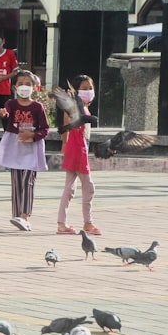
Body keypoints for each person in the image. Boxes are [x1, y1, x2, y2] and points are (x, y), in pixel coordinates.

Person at [0, 69, 49, 231]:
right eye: (20, 84)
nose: (24, 87)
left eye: (28, 84)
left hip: (31, 148)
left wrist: (32, 135)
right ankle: (17, 215)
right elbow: (7, 114)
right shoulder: (11, 104)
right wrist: (3, 114)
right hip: (15, 146)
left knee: (28, 181)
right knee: (17, 182)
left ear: (35, 87)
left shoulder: (38, 107)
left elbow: (45, 129)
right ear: (14, 88)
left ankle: (25, 216)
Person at [56, 74, 102, 235]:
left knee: (70, 188)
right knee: (88, 187)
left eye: (90, 88)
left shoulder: (83, 108)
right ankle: (87, 223)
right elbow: (67, 120)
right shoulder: (77, 107)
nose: (88, 91)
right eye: (84, 89)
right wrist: (65, 143)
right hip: (77, 150)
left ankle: (62, 223)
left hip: (77, 149)